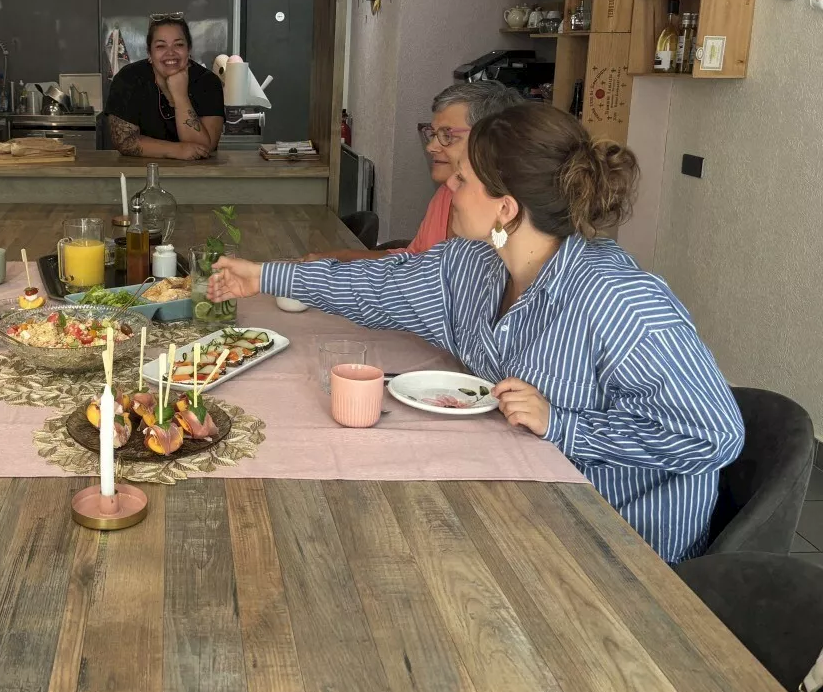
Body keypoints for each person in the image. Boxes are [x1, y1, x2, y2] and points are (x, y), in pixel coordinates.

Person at [208, 104, 744, 564]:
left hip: (619, 546)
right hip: (524, 506)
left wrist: (564, 425)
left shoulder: (620, 300)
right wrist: (263, 276)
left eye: (463, 179)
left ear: (506, 210)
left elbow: (715, 435)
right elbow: (380, 284)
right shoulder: (474, 264)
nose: (448, 186)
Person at [307, 79, 525, 261]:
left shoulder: (511, 229)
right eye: (434, 133)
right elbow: (414, 260)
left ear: (491, 139)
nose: (431, 146)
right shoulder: (446, 195)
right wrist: (338, 258)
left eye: (447, 135)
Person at [104, 14, 224, 160]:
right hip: (138, 175)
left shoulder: (208, 82)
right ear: (149, 53)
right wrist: (176, 150)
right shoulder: (129, 79)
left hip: (197, 178)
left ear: (189, 49)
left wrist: (180, 96)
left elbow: (203, 148)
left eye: (178, 44)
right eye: (161, 46)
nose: (170, 53)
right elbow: (124, 141)